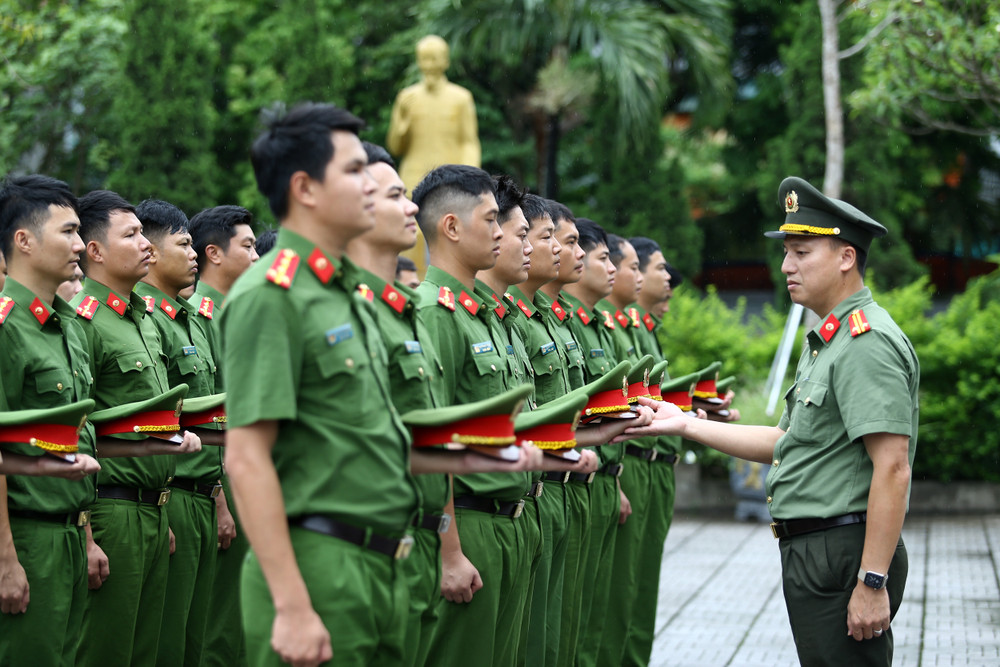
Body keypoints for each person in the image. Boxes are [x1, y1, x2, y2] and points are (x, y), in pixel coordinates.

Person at [624, 176, 919, 666]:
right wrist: (685, 423)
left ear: (846, 257)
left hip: (843, 552)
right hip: (819, 549)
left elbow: (893, 467)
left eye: (801, 252)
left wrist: (872, 581)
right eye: (786, 252)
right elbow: (786, 440)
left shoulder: (865, 342)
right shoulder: (830, 339)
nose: (786, 266)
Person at [222, 103, 425, 667]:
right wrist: (292, 607)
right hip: (320, 567)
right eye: (355, 170)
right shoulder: (272, 295)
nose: (370, 185)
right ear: (305, 188)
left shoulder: (344, 293)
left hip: (382, 563)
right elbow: (246, 458)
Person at [72, 189, 202, 666]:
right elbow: (78, 431)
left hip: (155, 509)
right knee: (106, 651)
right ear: (95, 250)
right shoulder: (84, 321)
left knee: (147, 653)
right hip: (111, 509)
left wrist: (160, 511)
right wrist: (86, 533)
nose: (147, 245)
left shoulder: (144, 320)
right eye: (131, 236)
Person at [0, 174, 103, 665]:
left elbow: (78, 440)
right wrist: (5, 559)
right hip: (27, 538)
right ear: (24, 240)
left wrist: (86, 536)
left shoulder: (69, 328)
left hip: (70, 534)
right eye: (68, 231)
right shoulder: (6, 328)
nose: (80, 245)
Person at [131, 198, 222, 667]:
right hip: (172, 493)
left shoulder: (193, 320)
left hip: (202, 492)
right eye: (183, 244)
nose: (194, 254)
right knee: (163, 643)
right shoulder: (149, 322)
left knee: (195, 640)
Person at [188, 203, 258, 667]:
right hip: (223, 481)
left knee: (243, 617)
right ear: (213, 253)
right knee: (219, 622)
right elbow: (207, 415)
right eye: (247, 246)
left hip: (249, 477)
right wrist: (217, 495)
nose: (256, 257)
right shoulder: (200, 318)